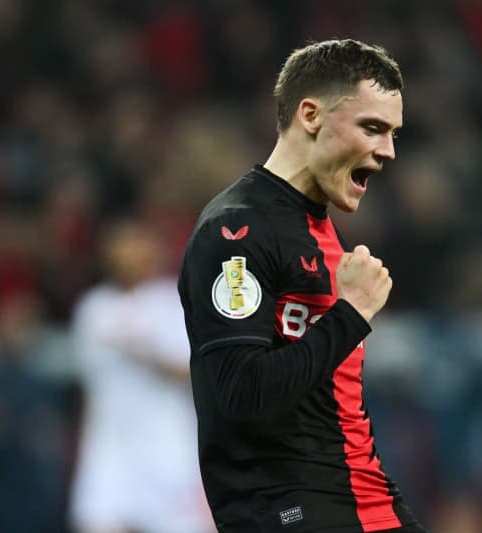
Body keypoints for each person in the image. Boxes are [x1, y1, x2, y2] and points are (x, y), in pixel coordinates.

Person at [177, 39, 426, 532]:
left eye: (393, 133)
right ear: (310, 114)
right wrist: (350, 314)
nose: (388, 151)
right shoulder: (235, 232)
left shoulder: (320, 230)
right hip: (288, 509)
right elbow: (241, 395)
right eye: (372, 128)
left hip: (364, 497)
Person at [70, 217, 213, 533]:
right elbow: (88, 384)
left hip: (168, 444)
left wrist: (141, 351)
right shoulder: (93, 307)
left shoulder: (175, 302)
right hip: (110, 445)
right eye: (120, 245)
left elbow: (194, 372)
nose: (127, 253)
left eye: (135, 244)